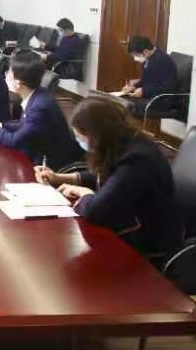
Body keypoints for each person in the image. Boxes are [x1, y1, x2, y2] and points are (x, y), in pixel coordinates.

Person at [35, 98, 183, 260]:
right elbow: (108, 175)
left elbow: (96, 211)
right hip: (128, 224)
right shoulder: (123, 142)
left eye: (81, 137)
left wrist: (84, 193)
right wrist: (59, 178)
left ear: (97, 135)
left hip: (145, 242)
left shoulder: (137, 159)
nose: (79, 142)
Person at [0, 51, 83, 170]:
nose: (5, 75)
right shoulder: (38, 93)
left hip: (50, 167)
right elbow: (24, 125)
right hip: (36, 155)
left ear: (18, 83)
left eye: (8, 73)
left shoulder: (39, 107)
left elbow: (15, 141)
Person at [120, 36, 178, 100]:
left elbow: (166, 87)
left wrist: (144, 91)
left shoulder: (161, 60)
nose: (135, 58)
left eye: (136, 55)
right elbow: (146, 80)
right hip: (152, 94)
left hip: (161, 98)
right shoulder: (149, 58)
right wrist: (134, 87)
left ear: (145, 51)